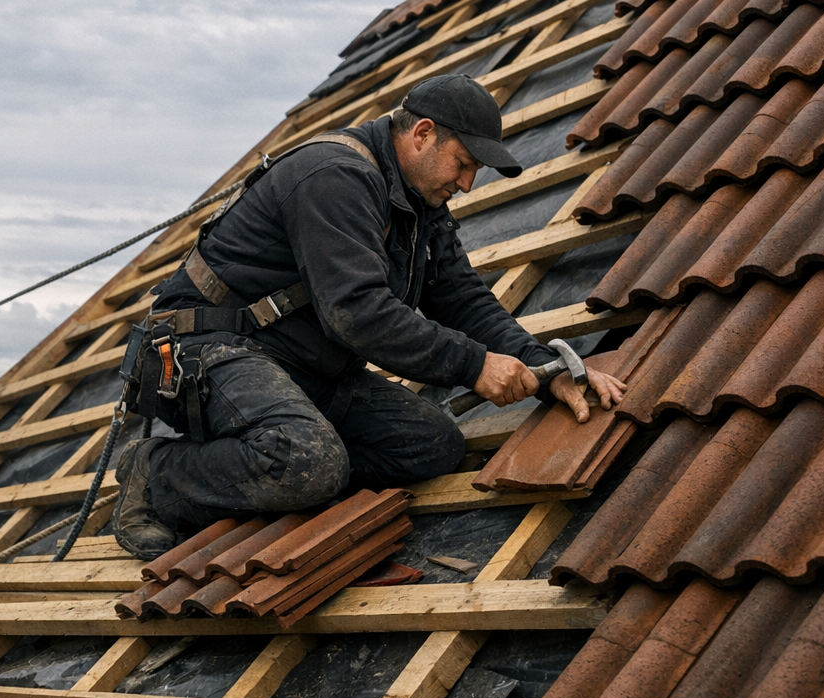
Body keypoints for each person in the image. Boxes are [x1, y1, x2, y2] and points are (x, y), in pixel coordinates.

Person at [113, 72, 626, 560]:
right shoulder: (336, 176)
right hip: (210, 350)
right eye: (463, 163)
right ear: (423, 134)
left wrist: (545, 369)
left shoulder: (419, 204)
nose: (468, 184)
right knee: (307, 461)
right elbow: (357, 313)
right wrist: (474, 366)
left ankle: (277, 461)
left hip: (299, 363)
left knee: (430, 446)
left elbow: (461, 298)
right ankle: (156, 473)